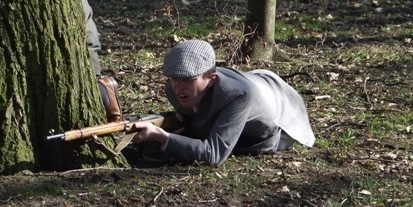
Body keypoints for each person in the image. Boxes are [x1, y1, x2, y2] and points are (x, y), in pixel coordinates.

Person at [131, 39, 315, 166]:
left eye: (188, 80)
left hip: (276, 119)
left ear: (211, 79)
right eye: (175, 78)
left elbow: (213, 156)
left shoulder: (238, 96)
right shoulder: (173, 88)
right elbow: (192, 119)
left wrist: (161, 135)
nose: (179, 87)